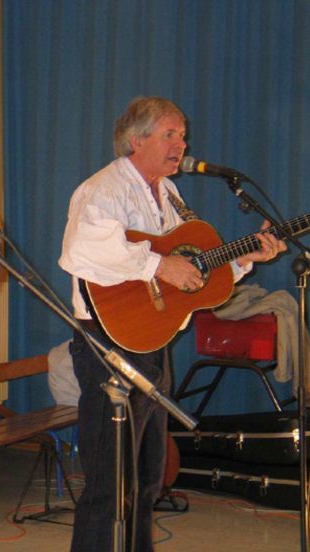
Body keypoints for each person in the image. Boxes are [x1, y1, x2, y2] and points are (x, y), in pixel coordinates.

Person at [59, 96, 285, 552]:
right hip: (108, 346)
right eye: (169, 134)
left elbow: (193, 273)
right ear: (136, 139)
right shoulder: (103, 189)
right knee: (109, 484)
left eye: (182, 135)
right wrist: (158, 267)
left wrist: (242, 257)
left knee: (146, 477)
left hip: (150, 340)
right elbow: (82, 251)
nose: (181, 144)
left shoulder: (169, 195)